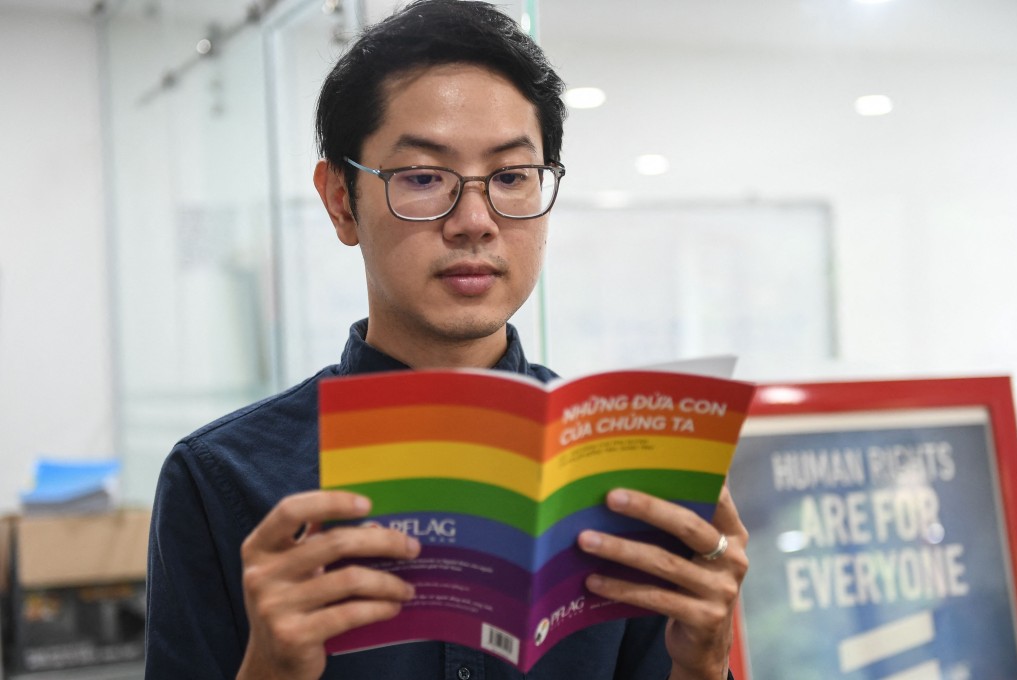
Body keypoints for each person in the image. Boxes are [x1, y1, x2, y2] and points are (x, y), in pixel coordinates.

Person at [145, 1, 748, 678]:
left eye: (511, 177)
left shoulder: (618, 468)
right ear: (341, 200)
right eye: (424, 177)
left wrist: (704, 662)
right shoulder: (223, 478)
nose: (474, 221)